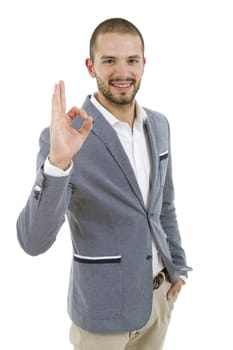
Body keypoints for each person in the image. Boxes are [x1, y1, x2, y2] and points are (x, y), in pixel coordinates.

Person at [17, 17, 192, 350]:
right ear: (90, 65)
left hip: (158, 301)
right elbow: (33, 241)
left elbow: (163, 205)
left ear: (144, 64)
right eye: (109, 61)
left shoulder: (158, 125)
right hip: (102, 317)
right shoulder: (63, 138)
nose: (122, 72)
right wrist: (58, 163)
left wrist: (178, 266)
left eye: (132, 60)